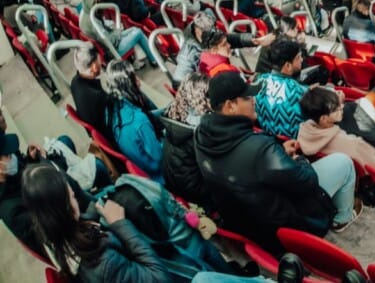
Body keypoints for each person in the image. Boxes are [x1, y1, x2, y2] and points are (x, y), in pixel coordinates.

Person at [195, 72, 357, 251]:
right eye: (248, 97)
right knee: (344, 162)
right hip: (283, 225)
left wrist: (277, 154)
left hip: (247, 222)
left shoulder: (200, 135)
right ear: (230, 105)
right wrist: (299, 159)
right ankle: (341, 219)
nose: (254, 100)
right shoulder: (259, 150)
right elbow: (307, 181)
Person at [21, 163, 225, 282]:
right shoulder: (103, 264)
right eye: (72, 197)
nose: (76, 199)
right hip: (160, 272)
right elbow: (159, 278)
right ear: (64, 209)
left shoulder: (58, 236)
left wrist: (98, 207)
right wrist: (121, 225)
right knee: (198, 251)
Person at [160, 72, 215, 209]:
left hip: (180, 186)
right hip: (201, 194)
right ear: (202, 100)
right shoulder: (199, 130)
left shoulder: (177, 113)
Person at [297, 86, 375, 171]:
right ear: (324, 118)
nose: (342, 106)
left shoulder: (303, 133)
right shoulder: (353, 143)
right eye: (336, 108)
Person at [104, 60, 164, 180]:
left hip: (144, 168)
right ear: (128, 85)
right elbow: (160, 156)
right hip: (160, 173)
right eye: (134, 78)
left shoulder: (110, 109)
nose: (139, 82)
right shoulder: (139, 122)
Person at [255, 39, 310, 138]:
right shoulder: (299, 90)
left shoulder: (259, 81)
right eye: (298, 57)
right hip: (294, 145)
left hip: (267, 139)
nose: (302, 59)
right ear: (288, 66)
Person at [70, 46, 114, 140]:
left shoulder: (74, 83)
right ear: (93, 67)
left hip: (98, 130)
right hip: (111, 133)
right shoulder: (98, 97)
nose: (101, 63)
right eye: (99, 60)